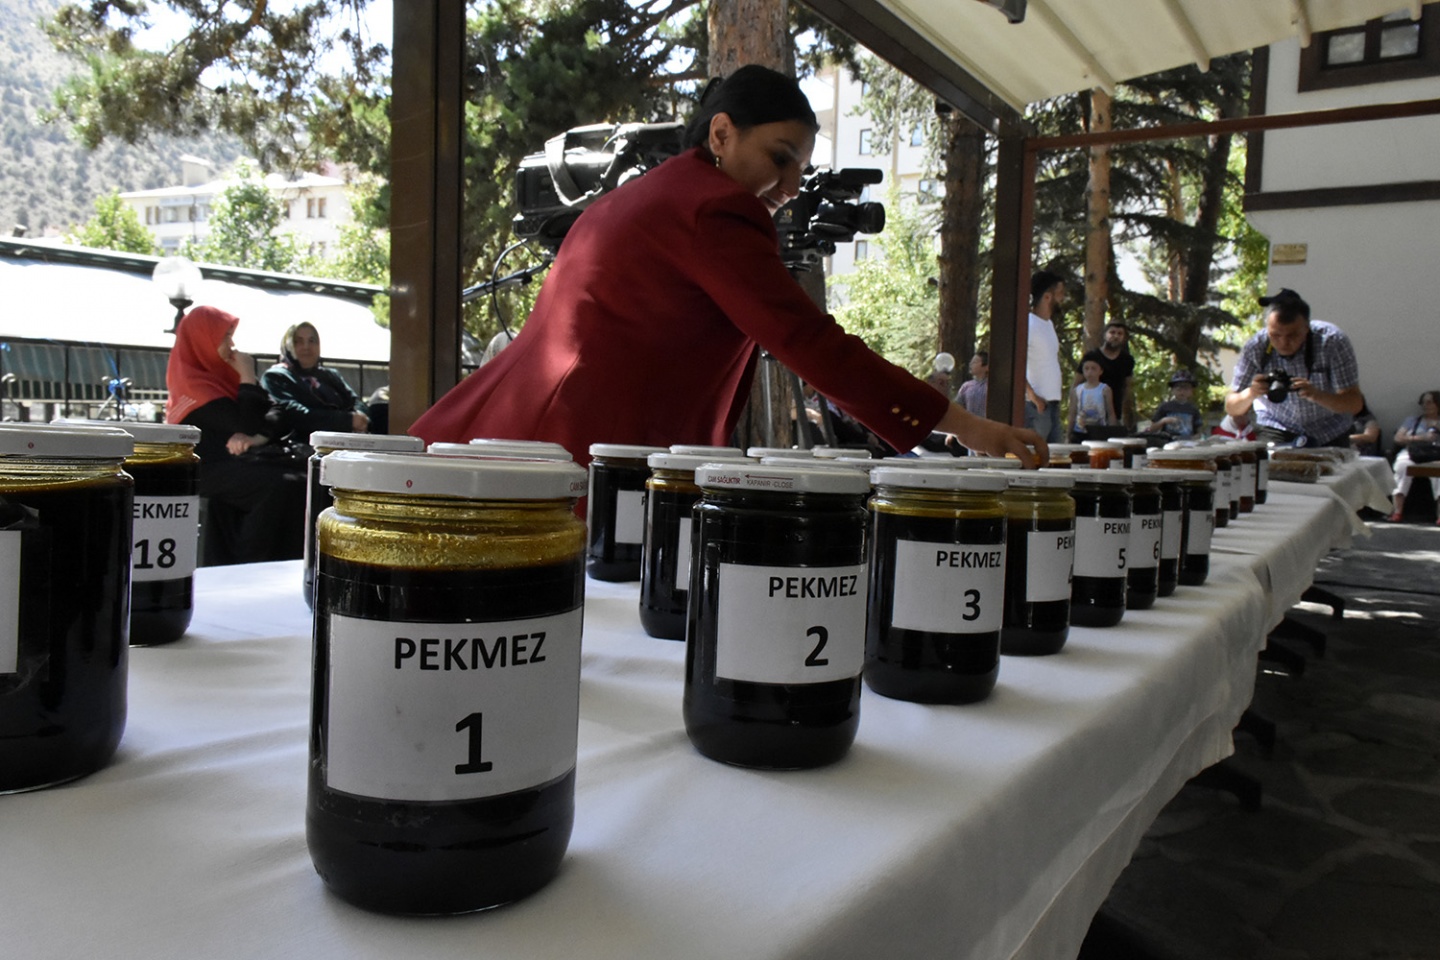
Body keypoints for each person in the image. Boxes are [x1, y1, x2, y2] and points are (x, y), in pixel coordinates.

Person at [410, 66, 1044, 468]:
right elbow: (806, 341)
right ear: (721, 134)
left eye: (799, 168)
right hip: (578, 452)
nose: (790, 186)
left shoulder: (654, 191)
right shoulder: (715, 208)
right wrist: (963, 426)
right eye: (779, 157)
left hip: (525, 433)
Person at [166, 305, 306, 564]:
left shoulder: (225, 375)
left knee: (304, 477)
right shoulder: (193, 386)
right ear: (203, 341)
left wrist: (258, 437)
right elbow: (244, 421)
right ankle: (254, 565)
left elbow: (277, 411)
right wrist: (247, 378)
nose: (231, 345)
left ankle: (285, 563)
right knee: (283, 485)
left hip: (243, 460)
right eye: (225, 337)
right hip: (207, 469)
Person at [1223, 288, 1362, 448]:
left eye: (1292, 335)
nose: (1283, 343)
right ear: (1267, 328)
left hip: (1329, 430)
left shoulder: (1332, 341)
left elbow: (1354, 403)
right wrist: (1252, 392)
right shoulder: (1256, 346)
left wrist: (1316, 395)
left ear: (1307, 328)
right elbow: (1232, 407)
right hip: (1276, 426)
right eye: (1275, 335)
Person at [261, 322, 369, 443]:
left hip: (345, 441)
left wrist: (361, 417)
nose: (306, 347)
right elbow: (293, 414)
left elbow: (355, 401)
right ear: (288, 346)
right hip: (303, 445)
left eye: (312, 341)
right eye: (298, 341)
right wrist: (347, 420)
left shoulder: (330, 375)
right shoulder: (276, 376)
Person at [1024, 270, 1067, 445]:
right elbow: (1017, 364)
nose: (1063, 298)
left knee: (1055, 455)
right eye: (1060, 293)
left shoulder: (1049, 325)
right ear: (1048, 297)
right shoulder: (1028, 324)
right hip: (1035, 407)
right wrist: (1033, 396)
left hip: (1052, 404)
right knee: (1033, 454)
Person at [1387, 390, 1440, 524]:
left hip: (1435, 455)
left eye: (1429, 402)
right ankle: (1397, 511)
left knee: (1438, 474)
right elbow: (1398, 438)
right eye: (1423, 402)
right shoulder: (1412, 420)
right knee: (1402, 467)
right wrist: (1421, 438)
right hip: (1413, 453)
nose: (1425, 405)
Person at [1075, 321, 1136, 430]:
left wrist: (1126, 413)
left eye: (1120, 333)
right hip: (1089, 413)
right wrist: (1074, 410)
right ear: (1105, 335)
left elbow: (1127, 387)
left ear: (1124, 338)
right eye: (1112, 332)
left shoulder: (1127, 360)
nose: (1115, 336)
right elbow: (1076, 383)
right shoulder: (1092, 356)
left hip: (1115, 413)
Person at [1067, 357, 1116, 441]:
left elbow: (1111, 413)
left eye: (1093, 369)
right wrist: (1068, 435)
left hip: (1099, 431)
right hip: (1080, 432)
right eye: (1086, 369)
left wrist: (1113, 434)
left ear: (1100, 371)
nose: (1089, 372)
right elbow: (1072, 413)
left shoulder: (1105, 389)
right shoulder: (1078, 390)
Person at [1152, 369, 1203, 439]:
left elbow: (1199, 432)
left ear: (1191, 391)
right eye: (1179, 388)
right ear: (1172, 390)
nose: (1182, 392)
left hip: (1187, 442)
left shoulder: (1193, 409)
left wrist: (1193, 438)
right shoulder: (1165, 407)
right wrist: (1163, 421)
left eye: (1186, 389)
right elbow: (1152, 429)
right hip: (1167, 441)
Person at [956, 351, 989, 418]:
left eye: (974, 362)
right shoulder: (966, 386)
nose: (970, 364)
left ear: (986, 367)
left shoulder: (991, 386)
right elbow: (958, 406)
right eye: (971, 362)